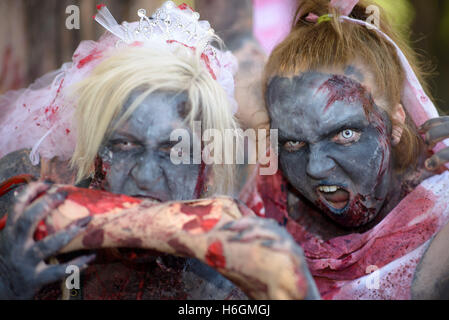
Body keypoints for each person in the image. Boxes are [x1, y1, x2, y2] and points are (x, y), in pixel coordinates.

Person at [0, 2, 314, 300]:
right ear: (94, 152)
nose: (146, 175)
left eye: (173, 149)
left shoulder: (238, 255)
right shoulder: (33, 210)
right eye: (123, 145)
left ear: (208, 165)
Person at [240, 0, 449, 299]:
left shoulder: (441, 214)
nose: (315, 167)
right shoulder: (257, 225)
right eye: (293, 143)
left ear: (396, 123)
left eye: (345, 133)